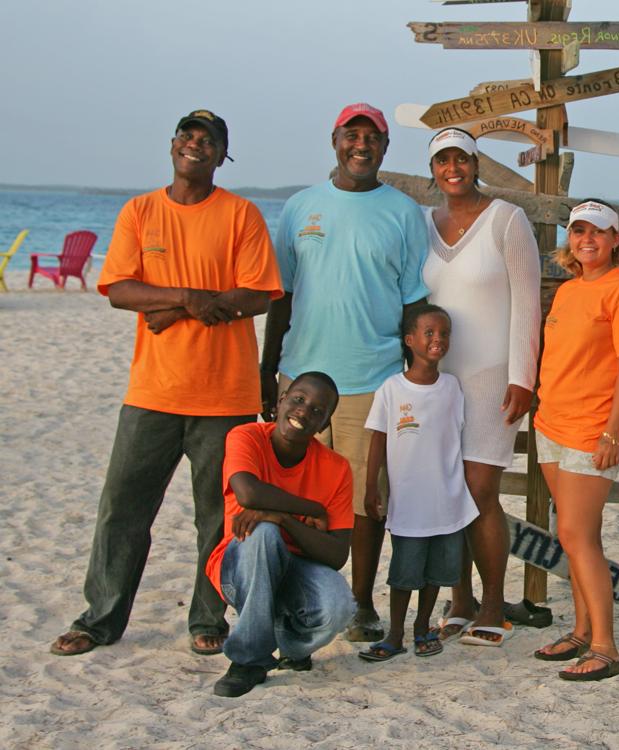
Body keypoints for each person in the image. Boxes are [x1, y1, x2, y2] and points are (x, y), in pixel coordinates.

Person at [51, 109, 282, 657]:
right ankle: (100, 618)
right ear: (174, 146)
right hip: (152, 392)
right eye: (188, 136)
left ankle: (208, 619)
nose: (196, 145)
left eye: (210, 140)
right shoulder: (140, 211)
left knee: (219, 516)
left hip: (225, 397)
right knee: (123, 509)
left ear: (223, 155)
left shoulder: (241, 215)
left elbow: (258, 295)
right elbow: (119, 289)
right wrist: (186, 298)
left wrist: (179, 307)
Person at [261, 103, 431, 644]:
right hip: (299, 381)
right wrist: (268, 372)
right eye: (351, 135)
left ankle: (360, 604)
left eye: (373, 137)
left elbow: (413, 304)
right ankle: (290, 595)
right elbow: (282, 298)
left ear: (385, 147)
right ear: (334, 140)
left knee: (366, 502)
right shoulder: (300, 207)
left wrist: (413, 383)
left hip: (372, 380)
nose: (362, 145)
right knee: (291, 493)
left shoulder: (404, 213)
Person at [420, 128, 540, 646]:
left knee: (480, 491)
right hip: (436, 379)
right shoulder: (423, 224)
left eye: (462, 159)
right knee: (446, 491)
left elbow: (528, 303)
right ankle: (460, 599)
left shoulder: (506, 220)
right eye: (443, 160)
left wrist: (522, 377)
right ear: (432, 169)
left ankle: (493, 605)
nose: (453, 168)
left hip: (492, 377)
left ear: (476, 163)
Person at [531, 201, 619, 681]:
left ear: (615, 239)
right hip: (552, 424)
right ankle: (582, 630)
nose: (587, 240)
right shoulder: (568, 291)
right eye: (579, 231)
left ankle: (606, 648)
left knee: (576, 536)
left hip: (591, 429)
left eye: (598, 232)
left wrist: (611, 432)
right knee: (575, 532)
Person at [206, 371, 356, 697]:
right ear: (281, 399)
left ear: (324, 424)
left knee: (339, 605)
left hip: (295, 569)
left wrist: (285, 519)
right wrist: (312, 509)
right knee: (264, 533)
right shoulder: (245, 436)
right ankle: (248, 660)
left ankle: (290, 646)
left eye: (317, 410)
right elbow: (247, 493)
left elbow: (336, 554)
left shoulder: (336, 468)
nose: (304, 411)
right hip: (240, 566)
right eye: (299, 399)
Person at [358, 305, 479, 662]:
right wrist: (371, 489)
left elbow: (457, 438)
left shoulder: (452, 387)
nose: (437, 340)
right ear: (410, 341)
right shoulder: (392, 389)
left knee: (436, 572)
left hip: (447, 500)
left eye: (443, 333)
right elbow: (378, 440)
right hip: (408, 503)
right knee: (405, 573)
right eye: (428, 333)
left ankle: (423, 628)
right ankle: (395, 634)